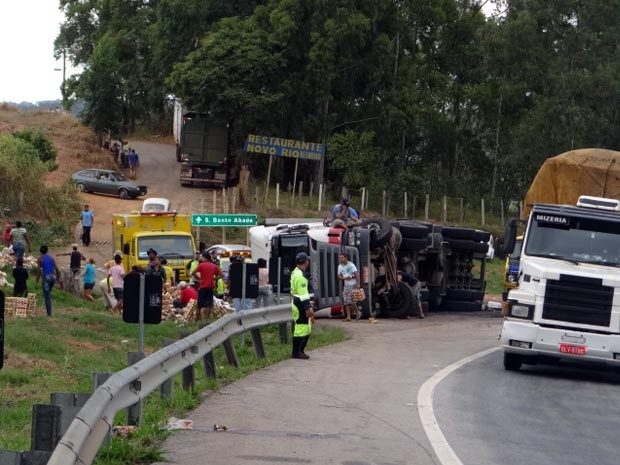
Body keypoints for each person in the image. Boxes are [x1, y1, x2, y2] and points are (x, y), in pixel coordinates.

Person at [290, 252, 314, 359]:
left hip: (297, 301)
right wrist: (308, 307)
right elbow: (303, 293)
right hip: (300, 303)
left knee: (306, 328)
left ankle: (300, 351)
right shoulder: (300, 276)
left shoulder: (296, 272)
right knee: (300, 327)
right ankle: (296, 352)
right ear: (306, 262)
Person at [192, 252, 222, 319]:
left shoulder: (201, 265)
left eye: (202, 257)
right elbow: (221, 275)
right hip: (210, 287)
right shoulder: (214, 266)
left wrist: (199, 279)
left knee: (199, 304)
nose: (201, 258)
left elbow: (193, 273)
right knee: (209, 304)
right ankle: (207, 318)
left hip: (202, 287)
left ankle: (197, 318)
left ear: (205, 258)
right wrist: (214, 278)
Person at [35, 245, 60, 316]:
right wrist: (58, 278)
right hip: (53, 277)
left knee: (47, 297)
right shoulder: (51, 258)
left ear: (40, 251)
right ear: (47, 250)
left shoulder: (40, 259)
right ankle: (49, 310)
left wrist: (36, 282)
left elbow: (39, 271)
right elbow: (57, 269)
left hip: (46, 278)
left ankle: (49, 314)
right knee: (48, 293)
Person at [337, 253, 360, 321]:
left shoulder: (351, 265)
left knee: (351, 300)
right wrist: (344, 278)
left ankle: (357, 313)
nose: (341, 259)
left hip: (352, 284)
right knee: (346, 301)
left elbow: (356, 274)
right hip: (346, 285)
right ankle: (349, 316)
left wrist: (358, 284)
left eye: (342, 257)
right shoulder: (340, 266)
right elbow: (338, 276)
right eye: (340, 258)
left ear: (346, 258)